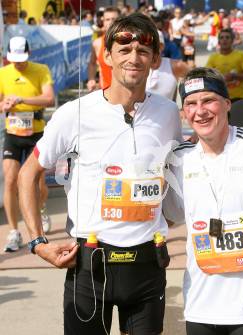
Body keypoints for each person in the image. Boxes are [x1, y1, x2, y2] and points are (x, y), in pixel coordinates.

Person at [18, 13, 182, 334]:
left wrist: (164, 218)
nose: (134, 57)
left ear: (155, 60)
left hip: (148, 264)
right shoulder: (75, 114)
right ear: (106, 55)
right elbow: (28, 173)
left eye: (143, 51)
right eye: (124, 49)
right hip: (90, 265)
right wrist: (37, 242)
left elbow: (174, 175)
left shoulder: (168, 113)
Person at [163, 67, 243, 335]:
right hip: (200, 300)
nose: (200, 111)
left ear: (227, 104)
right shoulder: (179, 159)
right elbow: (169, 215)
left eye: (208, 100)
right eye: (191, 104)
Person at [0, 36, 55, 251]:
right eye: (14, 60)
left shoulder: (40, 70)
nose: (18, 64)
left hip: (36, 131)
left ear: (29, 54)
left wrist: (23, 100)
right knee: (11, 180)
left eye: (21, 59)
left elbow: (49, 98)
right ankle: (14, 231)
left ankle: (41, 209)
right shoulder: (3, 73)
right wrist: (4, 103)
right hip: (13, 133)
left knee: (38, 183)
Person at [206, 28, 243, 103]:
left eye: (227, 37)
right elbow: (206, 77)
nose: (224, 40)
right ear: (218, 42)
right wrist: (220, 78)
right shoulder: (213, 58)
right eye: (222, 38)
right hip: (220, 98)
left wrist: (234, 76)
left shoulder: (241, 55)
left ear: (232, 41)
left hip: (240, 98)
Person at [146, 31, 190, 101]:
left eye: (154, 45)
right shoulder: (136, 67)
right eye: (146, 45)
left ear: (162, 46)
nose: (150, 49)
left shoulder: (175, 66)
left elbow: (199, 78)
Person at [87, 7, 120, 91]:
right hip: (106, 95)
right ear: (103, 22)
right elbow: (92, 63)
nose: (111, 22)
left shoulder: (129, 42)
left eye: (114, 19)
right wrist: (91, 79)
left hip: (127, 95)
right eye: (107, 19)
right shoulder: (97, 43)